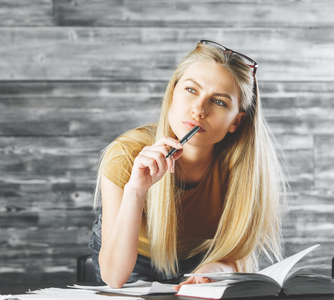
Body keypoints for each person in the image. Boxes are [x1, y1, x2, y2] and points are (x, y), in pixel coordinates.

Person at [89, 40, 287, 289]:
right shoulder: (126, 155)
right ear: (173, 92)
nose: (199, 110)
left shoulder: (244, 170)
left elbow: (236, 256)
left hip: (202, 259)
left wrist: (214, 269)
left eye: (219, 102)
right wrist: (136, 189)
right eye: (191, 90)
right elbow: (114, 277)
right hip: (131, 258)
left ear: (235, 122)